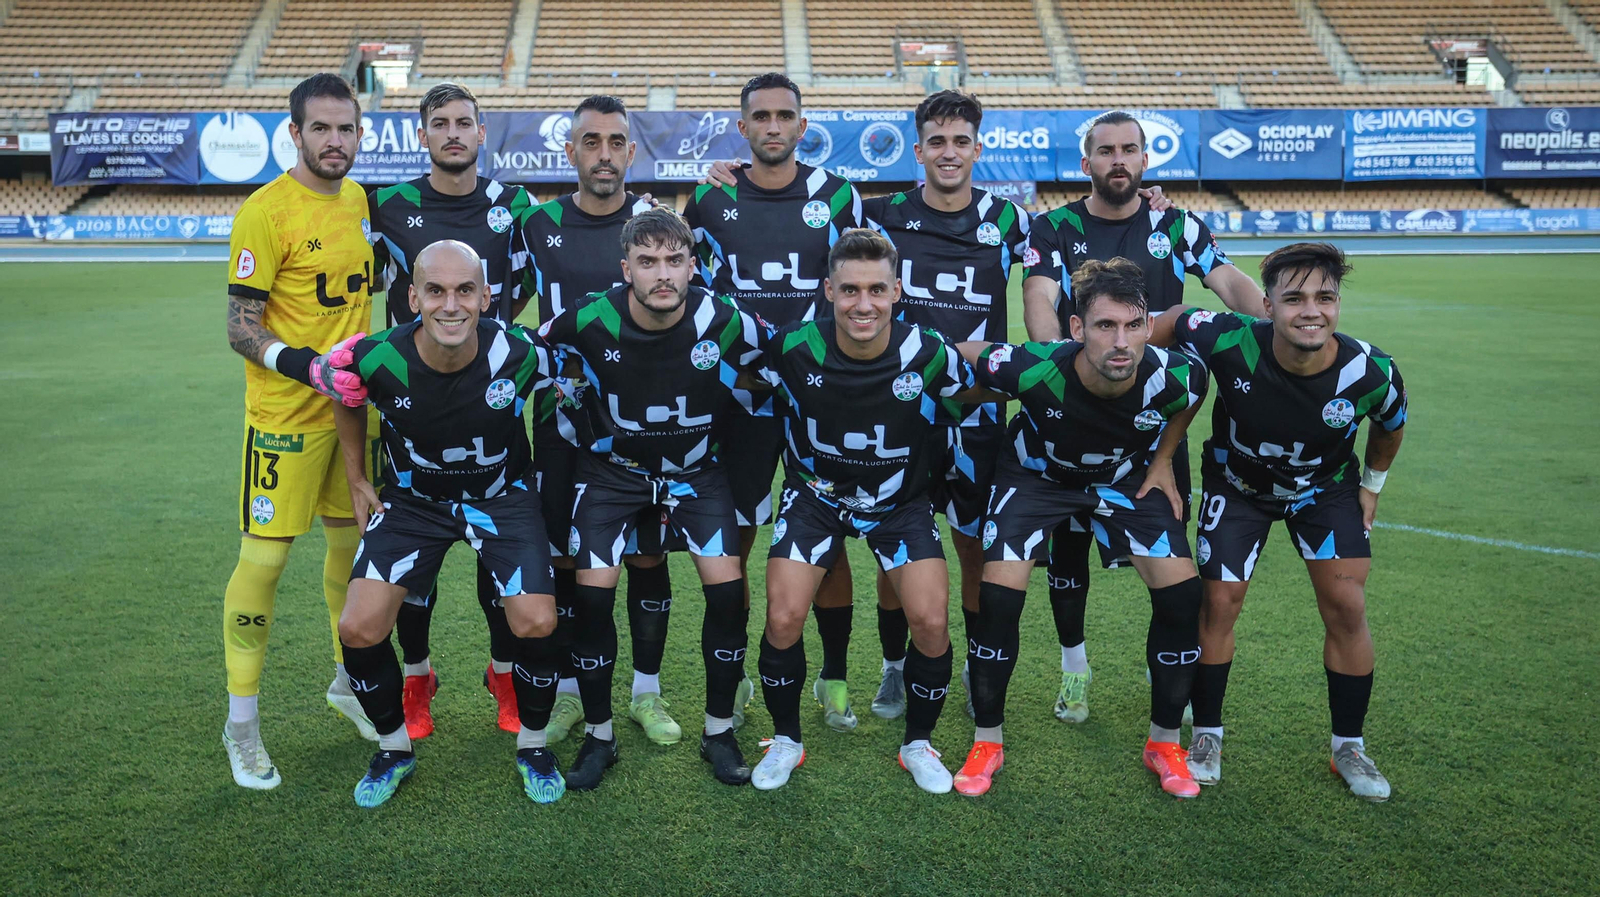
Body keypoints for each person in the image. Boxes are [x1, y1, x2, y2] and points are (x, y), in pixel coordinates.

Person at [1021, 110, 1263, 724]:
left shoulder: (1175, 223)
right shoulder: (1054, 227)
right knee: (1069, 550)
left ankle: (1171, 682)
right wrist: (1059, 369)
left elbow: (1225, 279)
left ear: (1146, 160)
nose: (1119, 160)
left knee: (1170, 558)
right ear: (1087, 164)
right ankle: (1075, 670)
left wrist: (1274, 318)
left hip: (1157, 422)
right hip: (1075, 415)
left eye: (1130, 149)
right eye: (1106, 151)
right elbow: (1039, 300)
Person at [1148, 242, 1407, 801]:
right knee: (1218, 603)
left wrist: (1372, 487)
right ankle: (1207, 735)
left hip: (1325, 492)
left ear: (1338, 304)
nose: (1310, 310)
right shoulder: (1227, 337)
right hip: (1238, 490)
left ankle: (1349, 747)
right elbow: (1171, 321)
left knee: (1347, 605)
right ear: (1266, 305)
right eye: (1294, 298)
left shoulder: (1371, 371)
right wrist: (1124, 349)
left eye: (1324, 297)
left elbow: (1389, 427)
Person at [750, 229, 997, 794]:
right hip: (816, 497)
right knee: (784, 617)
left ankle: (917, 744)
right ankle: (786, 739)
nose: (864, 304)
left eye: (878, 290)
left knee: (932, 622)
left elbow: (983, 390)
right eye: (851, 290)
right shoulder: (791, 346)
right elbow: (733, 379)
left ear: (897, 290)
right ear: (828, 290)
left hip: (900, 504)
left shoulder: (928, 352)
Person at [954, 258, 1210, 799]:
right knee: (998, 600)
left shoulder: (1176, 374)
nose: (1122, 342)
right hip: (1036, 479)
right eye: (1104, 326)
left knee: (1184, 597)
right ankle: (987, 742)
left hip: (1120, 482)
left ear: (1147, 326)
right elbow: (966, 358)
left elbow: (1193, 398)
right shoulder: (1035, 367)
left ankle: (1164, 744)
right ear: (1076, 329)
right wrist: (947, 400)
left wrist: (1164, 459)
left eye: (1133, 325)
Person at [534, 207, 769, 789]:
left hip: (696, 475)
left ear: (693, 265)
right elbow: (529, 356)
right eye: (647, 262)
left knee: (727, 597)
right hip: (613, 477)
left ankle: (719, 732)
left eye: (673, 260)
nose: (661, 274)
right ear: (626, 269)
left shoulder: (727, 319)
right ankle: (599, 736)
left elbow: (784, 364)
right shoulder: (587, 319)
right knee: (591, 603)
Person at [331, 240, 565, 807]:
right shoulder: (377, 354)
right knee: (358, 628)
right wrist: (358, 478)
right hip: (413, 504)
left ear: (487, 297)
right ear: (412, 297)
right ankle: (393, 748)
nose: (450, 305)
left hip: (503, 498)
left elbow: (574, 388)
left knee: (535, 620)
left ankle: (534, 744)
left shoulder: (524, 353)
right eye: (435, 291)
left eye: (465, 290)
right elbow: (344, 391)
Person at [684, 73, 865, 732]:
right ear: (742, 127)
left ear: (801, 123)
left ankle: (835, 677)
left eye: (784, 115)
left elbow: (863, 283)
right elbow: (683, 286)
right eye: (759, 116)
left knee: (831, 537)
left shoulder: (838, 196)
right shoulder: (709, 196)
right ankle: (731, 682)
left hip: (823, 391)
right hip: (741, 396)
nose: (772, 126)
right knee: (736, 536)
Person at [220, 72, 380, 790]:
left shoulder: (357, 198)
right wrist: (305, 365)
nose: (335, 141)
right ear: (295, 132)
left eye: (346, 128)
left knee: (353, 551)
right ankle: (242, 725)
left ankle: (348, 681)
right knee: (265, 562)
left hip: (353, 417)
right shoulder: (265, 211)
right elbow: (239, 327)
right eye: (321, 128)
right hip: (285, 420)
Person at [366, 81, 535, 739]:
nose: (454, 133)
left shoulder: (514, 204)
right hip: (408, 405)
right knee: (414, 563)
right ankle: (417, 675)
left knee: (500, 561)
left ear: (482, 132)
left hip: (489, 398)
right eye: (441, 123)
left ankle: (503, 673)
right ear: (423, 134)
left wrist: (479, 341)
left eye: (465, 122)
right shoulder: (386, 204)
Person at [517, 95, 685, 746]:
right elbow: (502, 316)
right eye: (592, 141)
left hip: (645, 426)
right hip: (560, 421)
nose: (605, 153)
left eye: (617, 141)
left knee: (646, 557)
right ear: (571, 151)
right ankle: (566, 692)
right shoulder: (538, 225)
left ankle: (646, 692)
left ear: (632, 151)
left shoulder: (658, 224)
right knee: (564, 558)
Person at [859, 89, 1029, 721]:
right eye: (937, 141)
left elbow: (1062, 263)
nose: (949, 152)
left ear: (978, 147)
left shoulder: (1010, 220)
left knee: (972, 544)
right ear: (919, 147)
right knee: (896, 543)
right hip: (901, 408)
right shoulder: (879, 215)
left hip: (980, 407)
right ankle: (894, 668)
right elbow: (800, 202)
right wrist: (728, 170)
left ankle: (974, 662)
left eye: (961, 141)